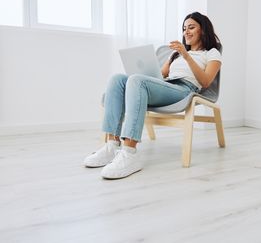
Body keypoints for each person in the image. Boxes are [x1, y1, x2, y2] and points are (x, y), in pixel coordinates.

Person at [83, 12, 222, 179]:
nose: (186, 32)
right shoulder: (175, 55)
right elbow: (159, 76)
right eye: (184, 28)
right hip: (166, 86)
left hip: (185, 89)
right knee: (118, 79)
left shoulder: (211, 53)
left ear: (203, 30)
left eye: (191, 27)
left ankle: (129, 152)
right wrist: (149, 70)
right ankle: (111, 146)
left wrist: (186, 55)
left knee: (136, 81)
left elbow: (206, 82)